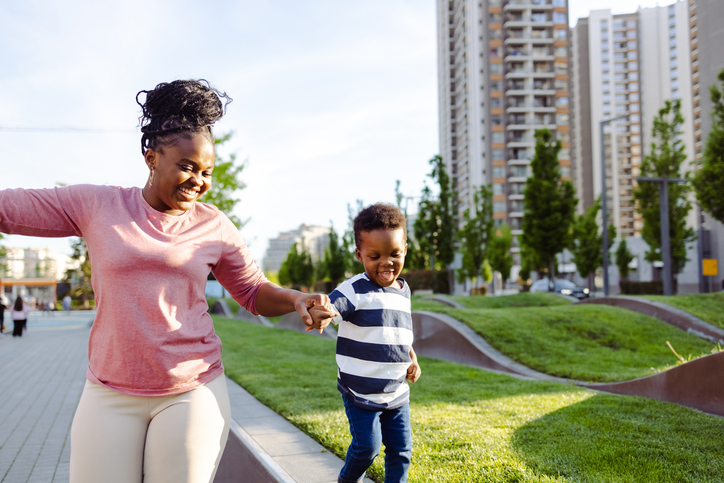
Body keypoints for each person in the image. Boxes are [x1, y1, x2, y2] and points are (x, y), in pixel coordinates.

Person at [0, 79, 335, 483]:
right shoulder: (97, 205)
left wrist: (295, 298)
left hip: (192, 390)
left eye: (207, 171)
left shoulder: (213, 224)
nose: (199, 180)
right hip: (109, 390)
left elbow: (251, 290)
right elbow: (10, 208)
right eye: (188, 166)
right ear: (151, 157)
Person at [310, 203, 421, 483]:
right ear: (360, 255)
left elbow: (398, 332)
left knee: (401, 449)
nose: (387, 262)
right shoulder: (355, 289)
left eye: (395, 254)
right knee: (367, 448)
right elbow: (333, 306)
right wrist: (321, 314)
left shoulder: (403, 290)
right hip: (359, 391)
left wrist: (412, 359)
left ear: (405, 248)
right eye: (375, 256)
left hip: (396, 392)